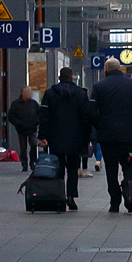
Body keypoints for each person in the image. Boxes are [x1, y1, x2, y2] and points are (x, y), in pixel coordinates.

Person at [90, 58, 132, 212]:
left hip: (107, 136)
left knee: (111, 168)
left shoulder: (99, 86)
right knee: (129, 166)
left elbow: (91, 111)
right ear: (120, 68)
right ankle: (129, 196)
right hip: (128, 136)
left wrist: (99, 126)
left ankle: (114, 202)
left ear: (106, 69)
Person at [39, 67, 93, 211]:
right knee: (73, 168)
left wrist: (42, 136)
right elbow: (86, 117)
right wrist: (88, 137)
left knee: (58, 167)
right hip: (76, 137)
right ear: (71, 78)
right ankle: (71, 197)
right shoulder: (81, 95)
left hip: (55, 137)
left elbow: (44, 116)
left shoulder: (50, 94)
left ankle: (59, 197)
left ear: (59, 78)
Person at [6, 86, 42, 171]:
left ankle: (32, 162)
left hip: (32, 128)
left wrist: (36, 122)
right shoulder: (16, 104)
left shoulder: (34, 104)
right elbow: (11, 116)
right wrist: (18, 124)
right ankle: (24, 164)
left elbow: (39, 114)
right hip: (21, 129)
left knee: (33, 144)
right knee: (23, 147)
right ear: (22, 93)